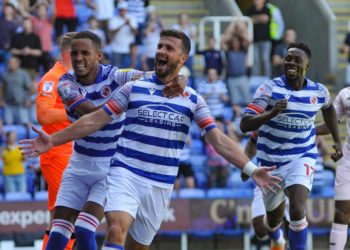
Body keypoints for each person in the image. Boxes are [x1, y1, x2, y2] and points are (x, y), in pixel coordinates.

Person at [20, 29, 282, 250]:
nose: (160, 51)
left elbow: (219, 140)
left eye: (168, 48)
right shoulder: (131, 88)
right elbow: (95, 118)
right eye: (159, 46)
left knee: (137, 245)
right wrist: (53, 140)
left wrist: (252, 169)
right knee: (113, 229)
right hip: (123, 172)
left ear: (183, 57)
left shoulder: (191, 99)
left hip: (160, 182)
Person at [29, 30, 186, 250]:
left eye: (85, 53)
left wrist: (180, 77)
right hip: (78, 163)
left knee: (84, 229)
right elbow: (90, 113)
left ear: (98, 55)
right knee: (58, 232)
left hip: (109, 166)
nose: (79, 59)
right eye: (75, 53)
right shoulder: (65, 83)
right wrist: (118, 103)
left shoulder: (115, 75)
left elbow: (151, 77)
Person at [240, 42, 343, 250]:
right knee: (272, 221)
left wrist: (337, 141)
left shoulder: (318, 91)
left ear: (307, 66)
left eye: (297, 60)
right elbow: (244, 123)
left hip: (301, 156)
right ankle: (277, 238)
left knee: (297, 210)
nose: (291, 63)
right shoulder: (269, 88)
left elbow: (329, 109)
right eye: (288, 58)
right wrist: (270, 114)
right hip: (270, 163)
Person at [36, 32, 77, 250]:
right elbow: (43, 115)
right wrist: (74, 113)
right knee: (69, 213)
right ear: (71, 53)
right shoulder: (53, 78)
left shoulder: (73, 78)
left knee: (58, 216)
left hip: (69, 153)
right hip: (57, 152)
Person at [315, 86, 350, 250]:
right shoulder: (345, 94)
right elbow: (330, 124)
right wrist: (306, 129)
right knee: (341, 212)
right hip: (348, 160)